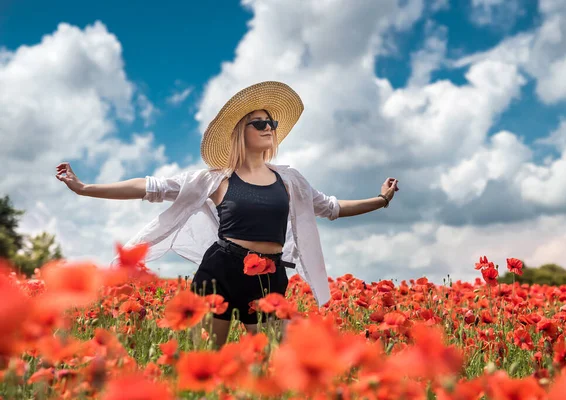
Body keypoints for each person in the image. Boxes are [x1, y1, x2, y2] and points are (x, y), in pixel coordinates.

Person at [56, 81, 399, 347]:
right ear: (240, 132)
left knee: (268, 360)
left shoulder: (291, 179)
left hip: (270, 276)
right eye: (259, 123)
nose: (268, 127)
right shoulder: (215, 179)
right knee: (209, 353)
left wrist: (380, 200)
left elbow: (333, 208)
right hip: (220, 269)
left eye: (271, 122)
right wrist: (85, 187)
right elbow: (150, 186)